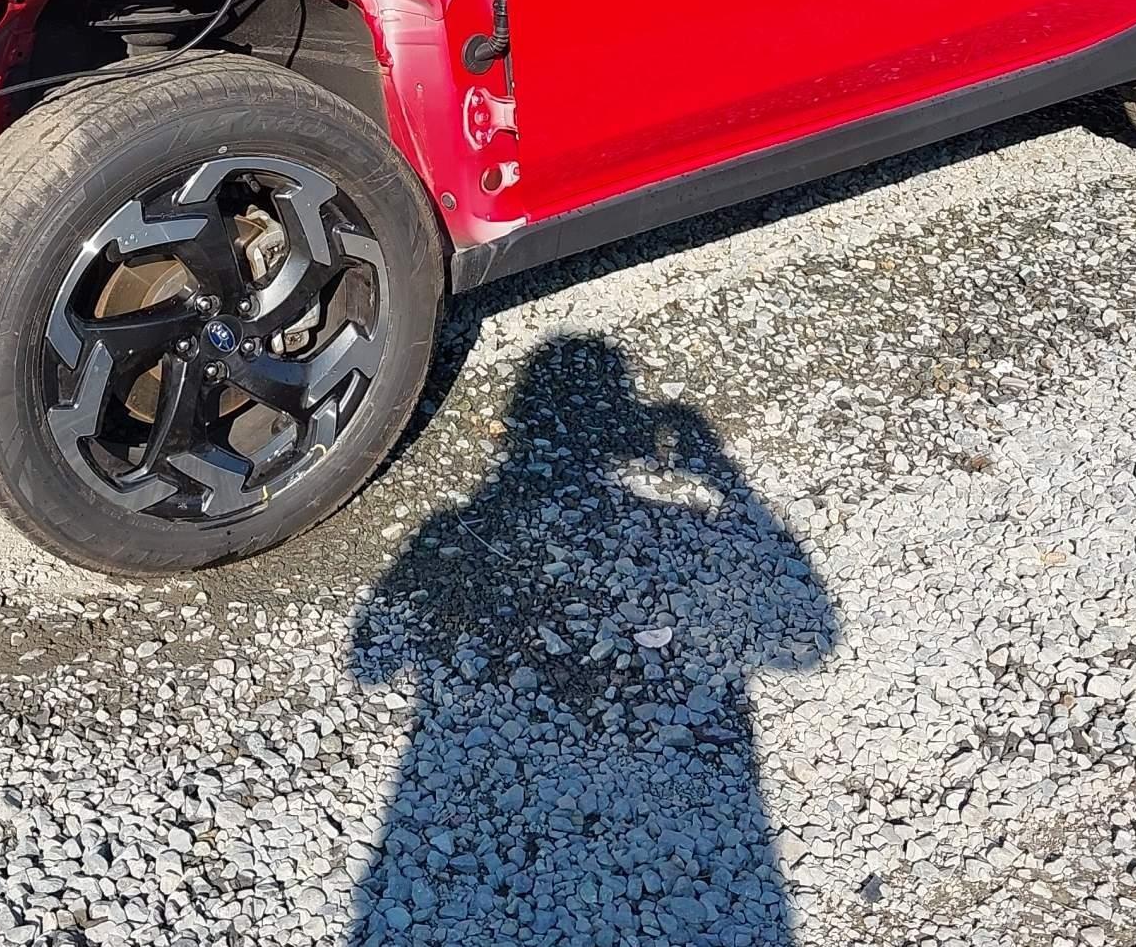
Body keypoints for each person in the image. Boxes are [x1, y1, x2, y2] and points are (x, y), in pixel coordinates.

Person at [349, 335, 838, 945]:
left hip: (441, 792)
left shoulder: (448, 528)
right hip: (697, 813)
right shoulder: (676, 524)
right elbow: (808, 640)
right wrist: (723, 476)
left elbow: (368, 660)